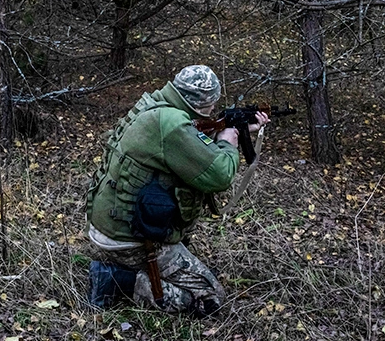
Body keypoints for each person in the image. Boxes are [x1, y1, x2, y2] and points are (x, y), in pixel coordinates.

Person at [84, 65, 269, 315]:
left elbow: (190, 144)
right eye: (211, 106)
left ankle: (129, 271)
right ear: (198, 104)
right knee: (211, 300)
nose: (213, 111)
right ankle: (118, 281)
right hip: (128, 240)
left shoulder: (156, 106)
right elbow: (220, 175)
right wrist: (227, 143)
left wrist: (238, 131)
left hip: (112, 224)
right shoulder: (172, 125)